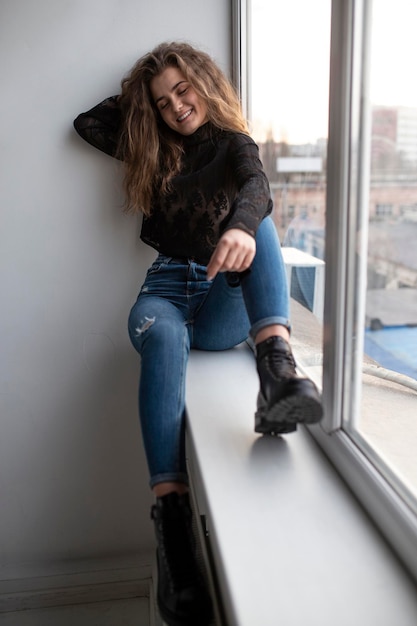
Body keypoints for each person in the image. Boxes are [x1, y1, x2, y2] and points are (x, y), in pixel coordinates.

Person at [73, 41, 323, 626]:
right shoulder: (152, 147)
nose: (177, 106)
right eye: (163, 102)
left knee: (258, 224)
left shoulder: (235, 145)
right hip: (163, 291)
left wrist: (237, 227)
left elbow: (257, 190)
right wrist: (143, 98)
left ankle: (277, 373)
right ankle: (174, 529)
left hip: (220, 296)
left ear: (205, 83)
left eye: (184, 90)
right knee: (161, 337)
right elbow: (87, 124)